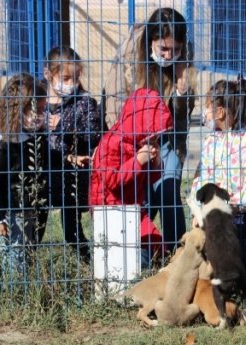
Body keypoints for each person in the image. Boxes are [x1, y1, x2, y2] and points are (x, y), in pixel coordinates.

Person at [103, 7, 195, 252]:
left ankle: (178, 256)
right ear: (151, 41)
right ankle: (139, 252)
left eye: (174, 50)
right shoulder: (130, 53)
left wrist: (182, 86)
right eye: (163, 48)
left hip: (168, 137)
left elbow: (184, 112)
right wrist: (129, 145)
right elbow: (114, 101)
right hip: (133, 138)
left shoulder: (184, 53)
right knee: (139, 197)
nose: (168, 54)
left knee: (168, 192)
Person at [188, 78, 246, 265]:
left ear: (220, 112)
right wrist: (197, 207)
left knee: (245, 264)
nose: (205, 113)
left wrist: (236, 205)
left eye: (208, 107)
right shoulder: (211, 141)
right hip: (215, 216)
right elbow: (203, 176)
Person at [90, 88, 171, 268]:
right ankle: (133, 280)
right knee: (122, 256)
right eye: (153, 133)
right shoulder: (111, 142)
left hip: (133, 208)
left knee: (159, 247)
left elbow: (149, 179)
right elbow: (112, 181)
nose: (155, 137)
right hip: (110, 210)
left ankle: (156, 277)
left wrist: (156, 162)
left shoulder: (139, 143)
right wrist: (138, 160)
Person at [0, 73, 49, 273]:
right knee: (15, 263)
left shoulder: (32, 136)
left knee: (27, 258)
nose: (40, 115)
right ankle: (16, 298)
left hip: (30, 208)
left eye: (43, 110)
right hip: (10, 212)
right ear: (19, 108)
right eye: (37, 110)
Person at [43, 46, 102, 262]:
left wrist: (65, 128)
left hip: (71, 178)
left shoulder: (84, 102)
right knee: (36, 226)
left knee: (72, 230)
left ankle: (88, 263)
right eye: (65, 78)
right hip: (43, 175)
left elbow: (94, 134)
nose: (71, 84)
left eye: (75, 79)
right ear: (48, 74)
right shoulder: (37, 101)